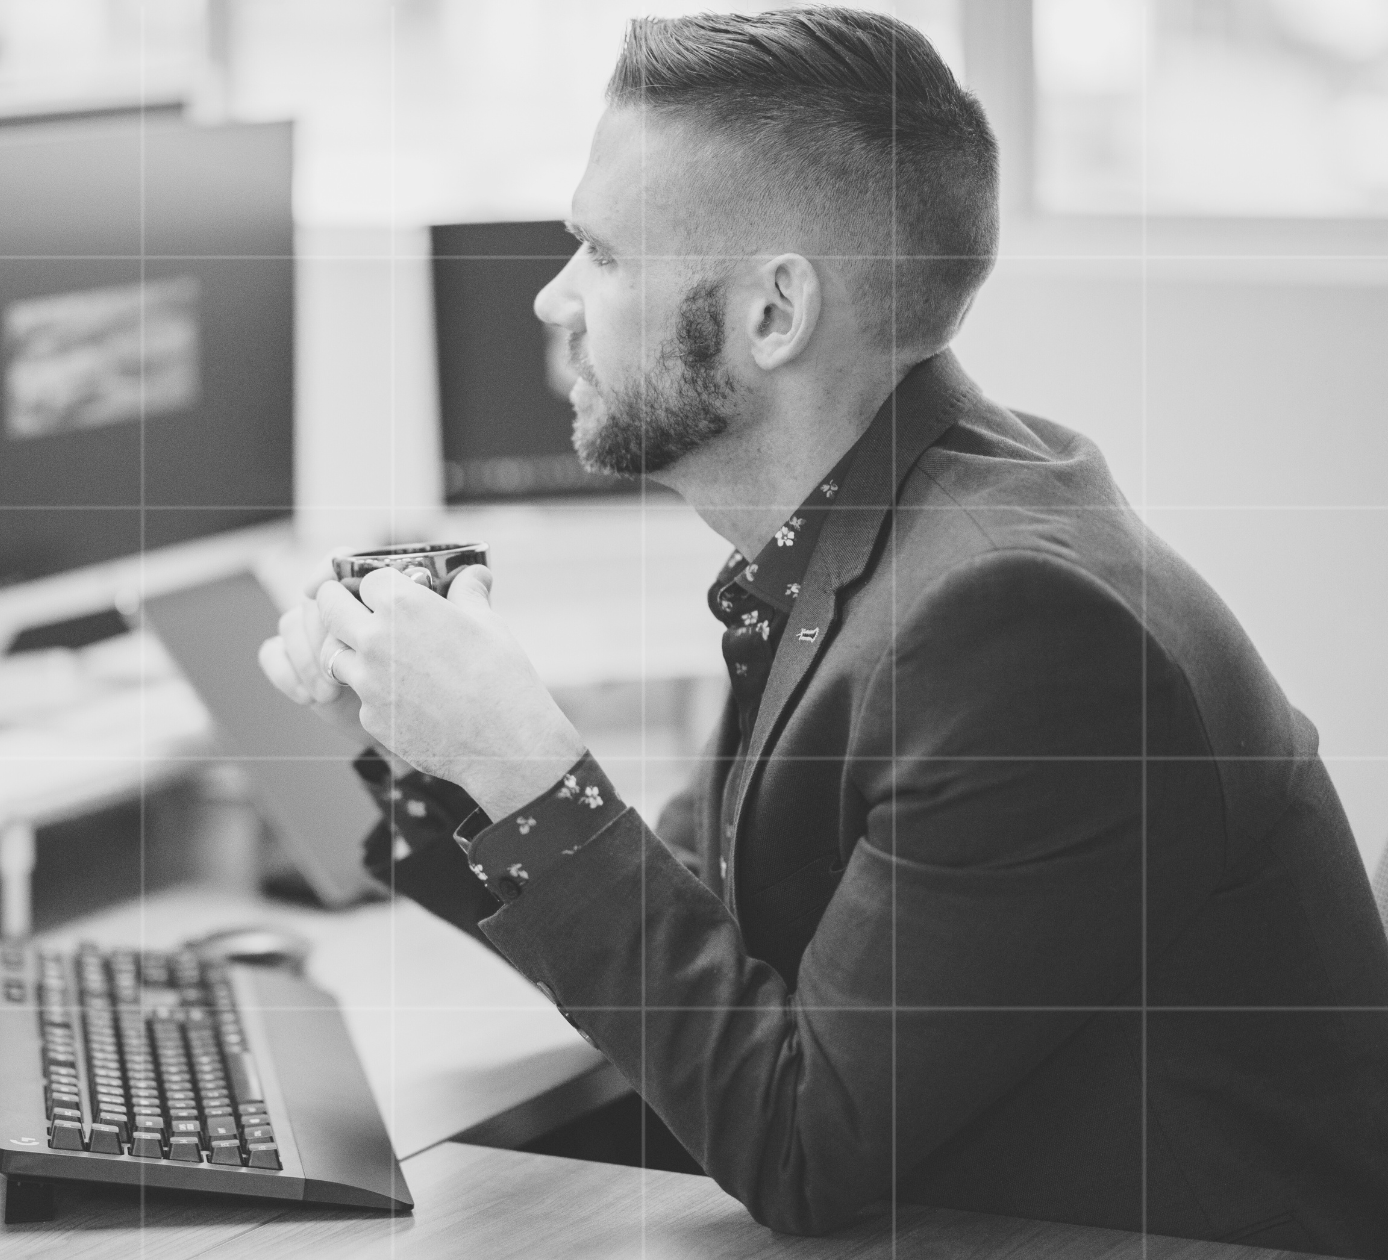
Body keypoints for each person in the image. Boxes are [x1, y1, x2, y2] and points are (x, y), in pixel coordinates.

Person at [259, 8, 1388, 1257]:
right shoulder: (870, 533)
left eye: (600, 253)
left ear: (773, 313)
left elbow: (804, 1148)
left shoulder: (1018, 628)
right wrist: (419, 744)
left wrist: (526, 763)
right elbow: (704, 947)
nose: (552, 296)